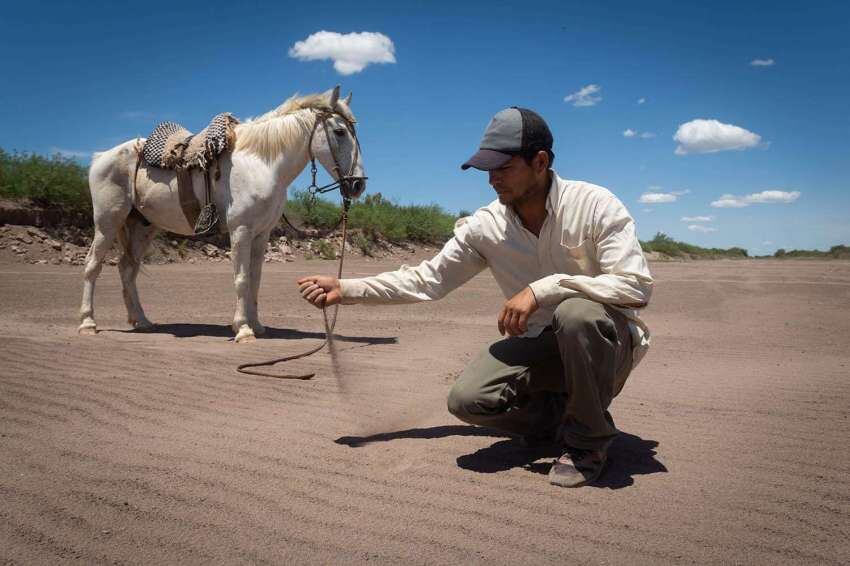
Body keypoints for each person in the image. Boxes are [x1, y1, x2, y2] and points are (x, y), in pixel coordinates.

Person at [297, 107, 653, 487]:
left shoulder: (594, 205)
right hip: (541, 345)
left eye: (503, 168)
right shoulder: (487, 226)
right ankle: (563, 417)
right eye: (487, 170)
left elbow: (635, 286)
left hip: (604, 347)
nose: (493, 180)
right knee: (468, 399)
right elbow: (428, 279)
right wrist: (347, 288)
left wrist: (541, 289)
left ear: (540, 161)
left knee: (577, 313)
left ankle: (588, 442)